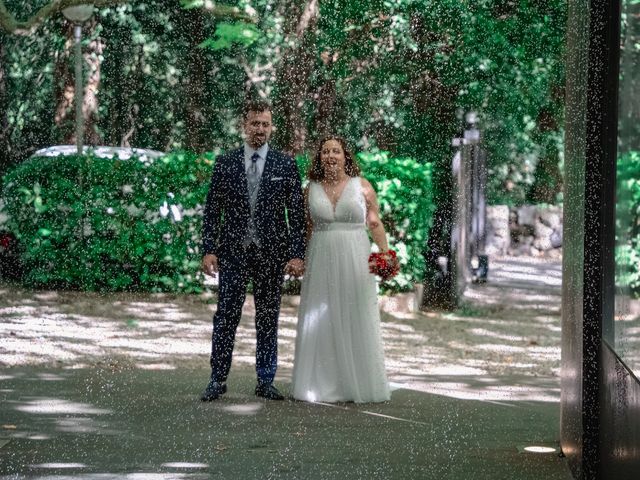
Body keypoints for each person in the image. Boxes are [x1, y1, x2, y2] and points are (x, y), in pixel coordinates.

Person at [200, 100, 305, 401]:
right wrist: (209, 249)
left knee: (268, 317)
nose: (260, 129)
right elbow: (212, 211)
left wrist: (296, 254)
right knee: (225, 316)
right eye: (254, 123)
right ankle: (217, 379)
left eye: (265, 124)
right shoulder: (226, 162)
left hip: (271, 253)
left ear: (272, 127)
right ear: (244, 126)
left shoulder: (285, 165)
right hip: (233, 253)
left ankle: (266, 379)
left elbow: (295, 215)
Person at [291, 136, 393, 403]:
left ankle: (356, 383)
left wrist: (385, 253)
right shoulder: (310, 188)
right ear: (320, 157)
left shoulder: (363, 186)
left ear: (346, 156)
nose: (331, 156)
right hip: (320, 255)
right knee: (321, 315)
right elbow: (308, 228)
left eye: (336, 151)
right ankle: (321, 383)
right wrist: (299, 258)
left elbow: (374, 223)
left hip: (354, 255)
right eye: (325, 151)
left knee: (354, 311)